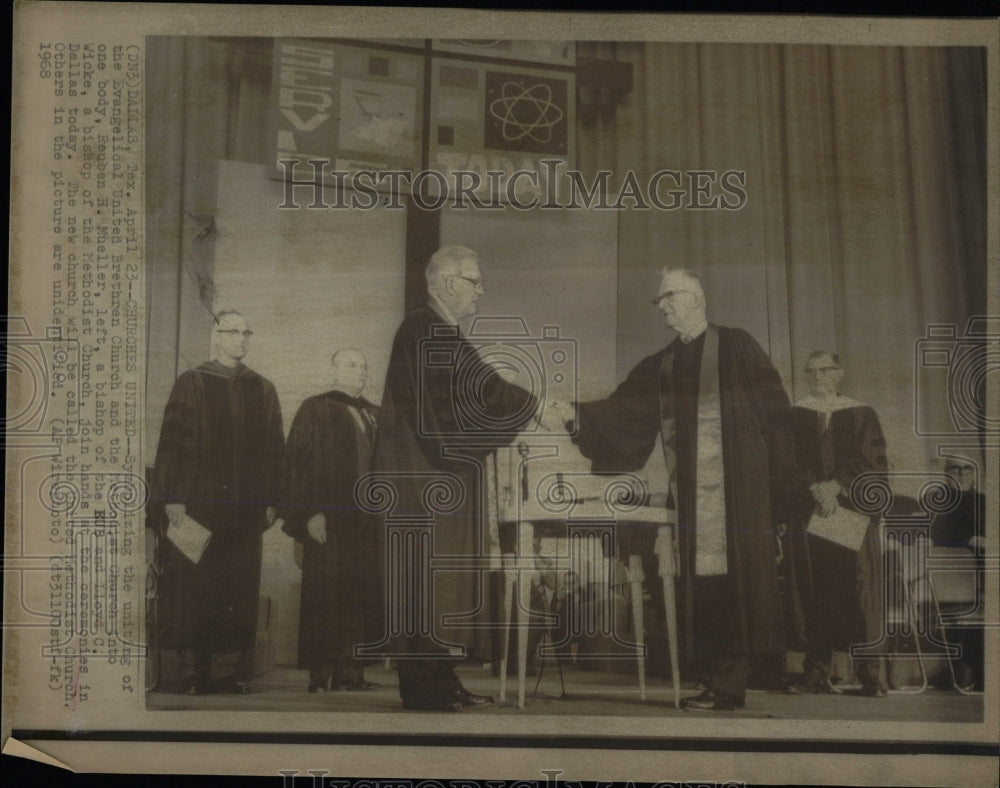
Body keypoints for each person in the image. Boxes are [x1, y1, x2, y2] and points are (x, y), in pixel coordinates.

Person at [550, 267, 793, 711]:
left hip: (740, 491)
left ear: (696, 297)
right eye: (659, 300)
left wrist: (777, 487)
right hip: (695, 496)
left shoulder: (736, 344)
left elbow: (776, 412)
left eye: (668, 296)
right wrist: (575, 412)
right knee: (705, 585)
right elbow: (623, 410)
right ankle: (720, 683)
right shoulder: (663, 364)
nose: (661, 306)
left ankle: (729, 683)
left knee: (734, 584)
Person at [373, 245, 540, 711]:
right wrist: (536, 407)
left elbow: (478, 383)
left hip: (435, 478)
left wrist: (524, 405)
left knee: (439, 582)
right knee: (425, 580)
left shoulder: (440, 332)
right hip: (421, 481)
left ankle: (442, 680)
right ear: (447, 283)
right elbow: (474, 392)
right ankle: (424, 689)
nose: (481, 291)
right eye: (474, 282)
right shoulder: (423, 329)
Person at [153, 310, 284, 695]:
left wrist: (272, 500)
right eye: (232, 331)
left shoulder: (263, 388)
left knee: (236, 589)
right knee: (194, 586)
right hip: (197, 506)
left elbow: (276, 450)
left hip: (246, 511)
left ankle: (226, 672)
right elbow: (171, 444)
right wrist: (172, 499)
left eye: (247, 332)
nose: (241, 339)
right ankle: (191, 672)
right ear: (216, 336)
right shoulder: (192, 382)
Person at [781, 351, 889, 697]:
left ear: (839, 373)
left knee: (857, 590)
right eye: (810, 371)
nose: (817, 376)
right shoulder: (795, 413)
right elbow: (785, 460)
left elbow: (871, 460)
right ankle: (816, 673)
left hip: (849, 513)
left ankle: (870, 675)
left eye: (825, 370)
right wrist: (815, 487)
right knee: (813, 590)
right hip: (810, 510)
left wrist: (836, 486)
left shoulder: (861, 412)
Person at [281, 348, 383, 693]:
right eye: (352, 365)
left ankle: (350, 674)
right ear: (334, 371)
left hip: (366, 522)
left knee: (359, 597)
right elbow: (298, 462)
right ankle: (320, 676)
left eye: (364, 366)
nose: (360, 371)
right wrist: (309, 513)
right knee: (326, 596)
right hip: (328, 518)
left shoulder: (374, 413)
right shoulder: (317, 407)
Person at [926, 457, 985, 692]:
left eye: (966, 468)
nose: (960, 473)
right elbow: (934, 532)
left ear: (974, 473)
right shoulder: (935, 500)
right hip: (952, 574)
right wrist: (968, 540)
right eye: (954, 468)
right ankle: (962, 668)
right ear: (945, 473)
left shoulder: (986, 502)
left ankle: (976, 670)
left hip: (984, 571)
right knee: (960, 600)